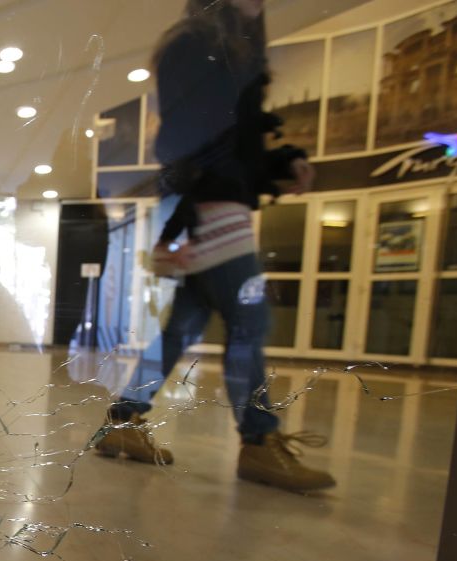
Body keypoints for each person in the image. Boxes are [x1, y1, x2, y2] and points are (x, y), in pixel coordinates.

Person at [95, 0, 335, 492]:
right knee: (250, 320)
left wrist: (276, 165)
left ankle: (124, 421)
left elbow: (231, 142)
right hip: (216, 213)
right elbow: (185, 143)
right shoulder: (197, 47)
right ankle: (260, 443)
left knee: (180, 329)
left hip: (215, 209)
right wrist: (199, 206)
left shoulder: (222, 50)